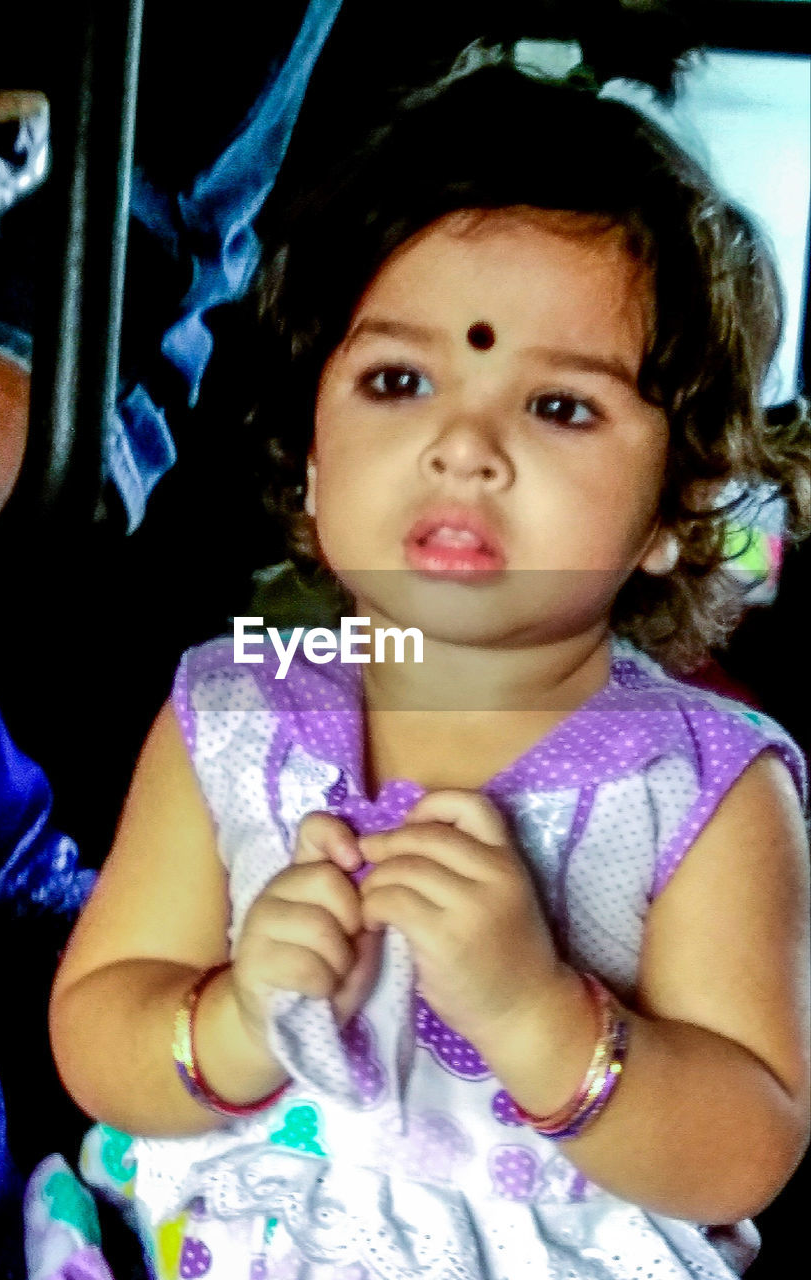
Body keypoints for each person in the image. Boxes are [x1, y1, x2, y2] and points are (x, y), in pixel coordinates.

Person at [41, 59, 810, 1280]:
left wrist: (536, 1012)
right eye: (399, 382)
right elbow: (95, 1024)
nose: (463, 446)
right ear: (311, 448)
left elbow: (748, 1138)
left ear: (679, 501)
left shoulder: (702, 785)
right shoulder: (235, 712)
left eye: (560, 407)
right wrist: (239, 1016)